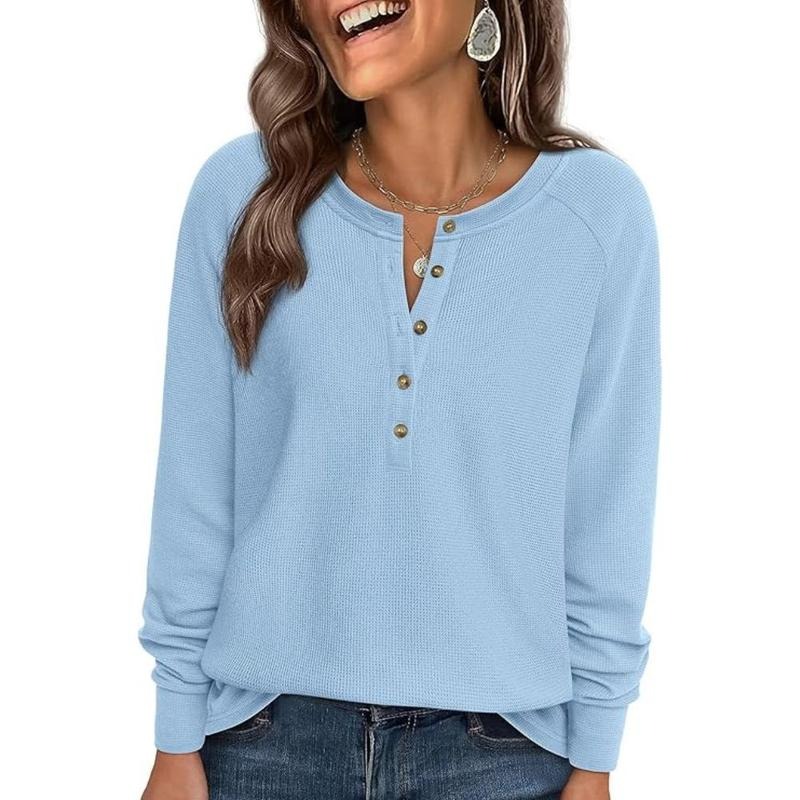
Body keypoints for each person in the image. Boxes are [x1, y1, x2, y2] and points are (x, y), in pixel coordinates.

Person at [138, 1, 661, 798]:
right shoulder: (245, 192)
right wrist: (175, 733)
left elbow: (606, 512)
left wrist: (596, 755)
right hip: (261, 745)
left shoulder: (595, 213)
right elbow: (196, 486)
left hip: (505, 755)